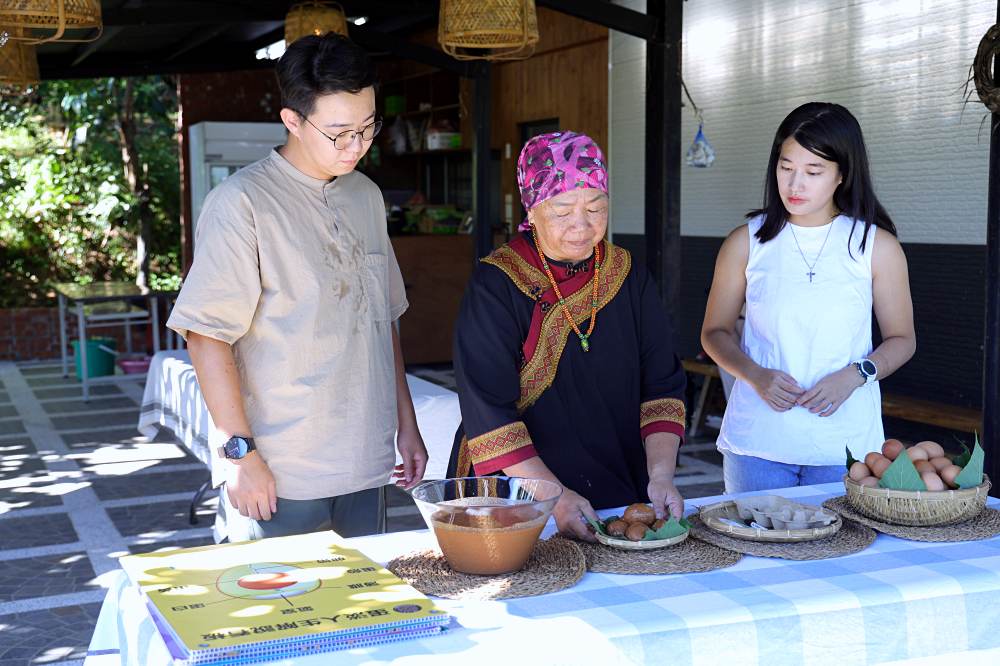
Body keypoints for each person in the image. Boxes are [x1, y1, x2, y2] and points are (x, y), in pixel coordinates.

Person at [166, 34, 427, 540]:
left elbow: (383, 320)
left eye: (368, 127)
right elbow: (206, 335)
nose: (357, 145)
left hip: (367, 459)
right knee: (290, 613)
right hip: (282, 470)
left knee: (366, 612)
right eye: (339, 133)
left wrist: (407, 424)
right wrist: (239, 456)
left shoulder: (366, 196)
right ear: (293, 121)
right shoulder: (242, 203)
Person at [446, 131, 687, 542]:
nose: (582, 225)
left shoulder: (628, 275)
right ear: (532, 208)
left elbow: (662, 383)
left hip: (618, 484)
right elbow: (487, 408)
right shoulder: (498, 282)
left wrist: (660, 473)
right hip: (518, 490)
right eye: (562, 210)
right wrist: (552, 496)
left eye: (596, 207)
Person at [701, 102, 916, 493]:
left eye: (813, 172)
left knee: (843, 551)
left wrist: (856, 375)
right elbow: (714, 332)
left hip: (845, 446)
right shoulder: (746, 242)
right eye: (786, 168)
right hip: (758, 442)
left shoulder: (875, 246)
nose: (795, 185)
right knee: (759, 550)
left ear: (842, 174)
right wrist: (755, 375)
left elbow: (903, 339)